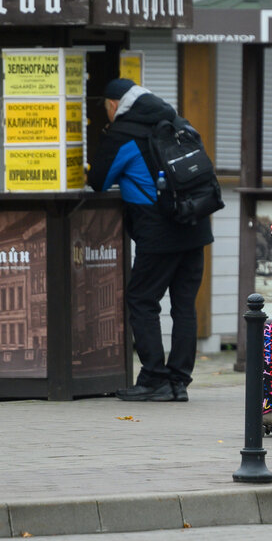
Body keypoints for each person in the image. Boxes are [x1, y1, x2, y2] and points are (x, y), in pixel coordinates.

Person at [87, 78, 213, 402]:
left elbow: (99, 180)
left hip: (159, 231)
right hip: (195, 224)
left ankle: (155, 377)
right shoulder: (175, 121)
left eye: (106, 110)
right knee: (184, 305)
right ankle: (178, 381)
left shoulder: (123, 133)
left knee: (142, 300)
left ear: (114, 105)